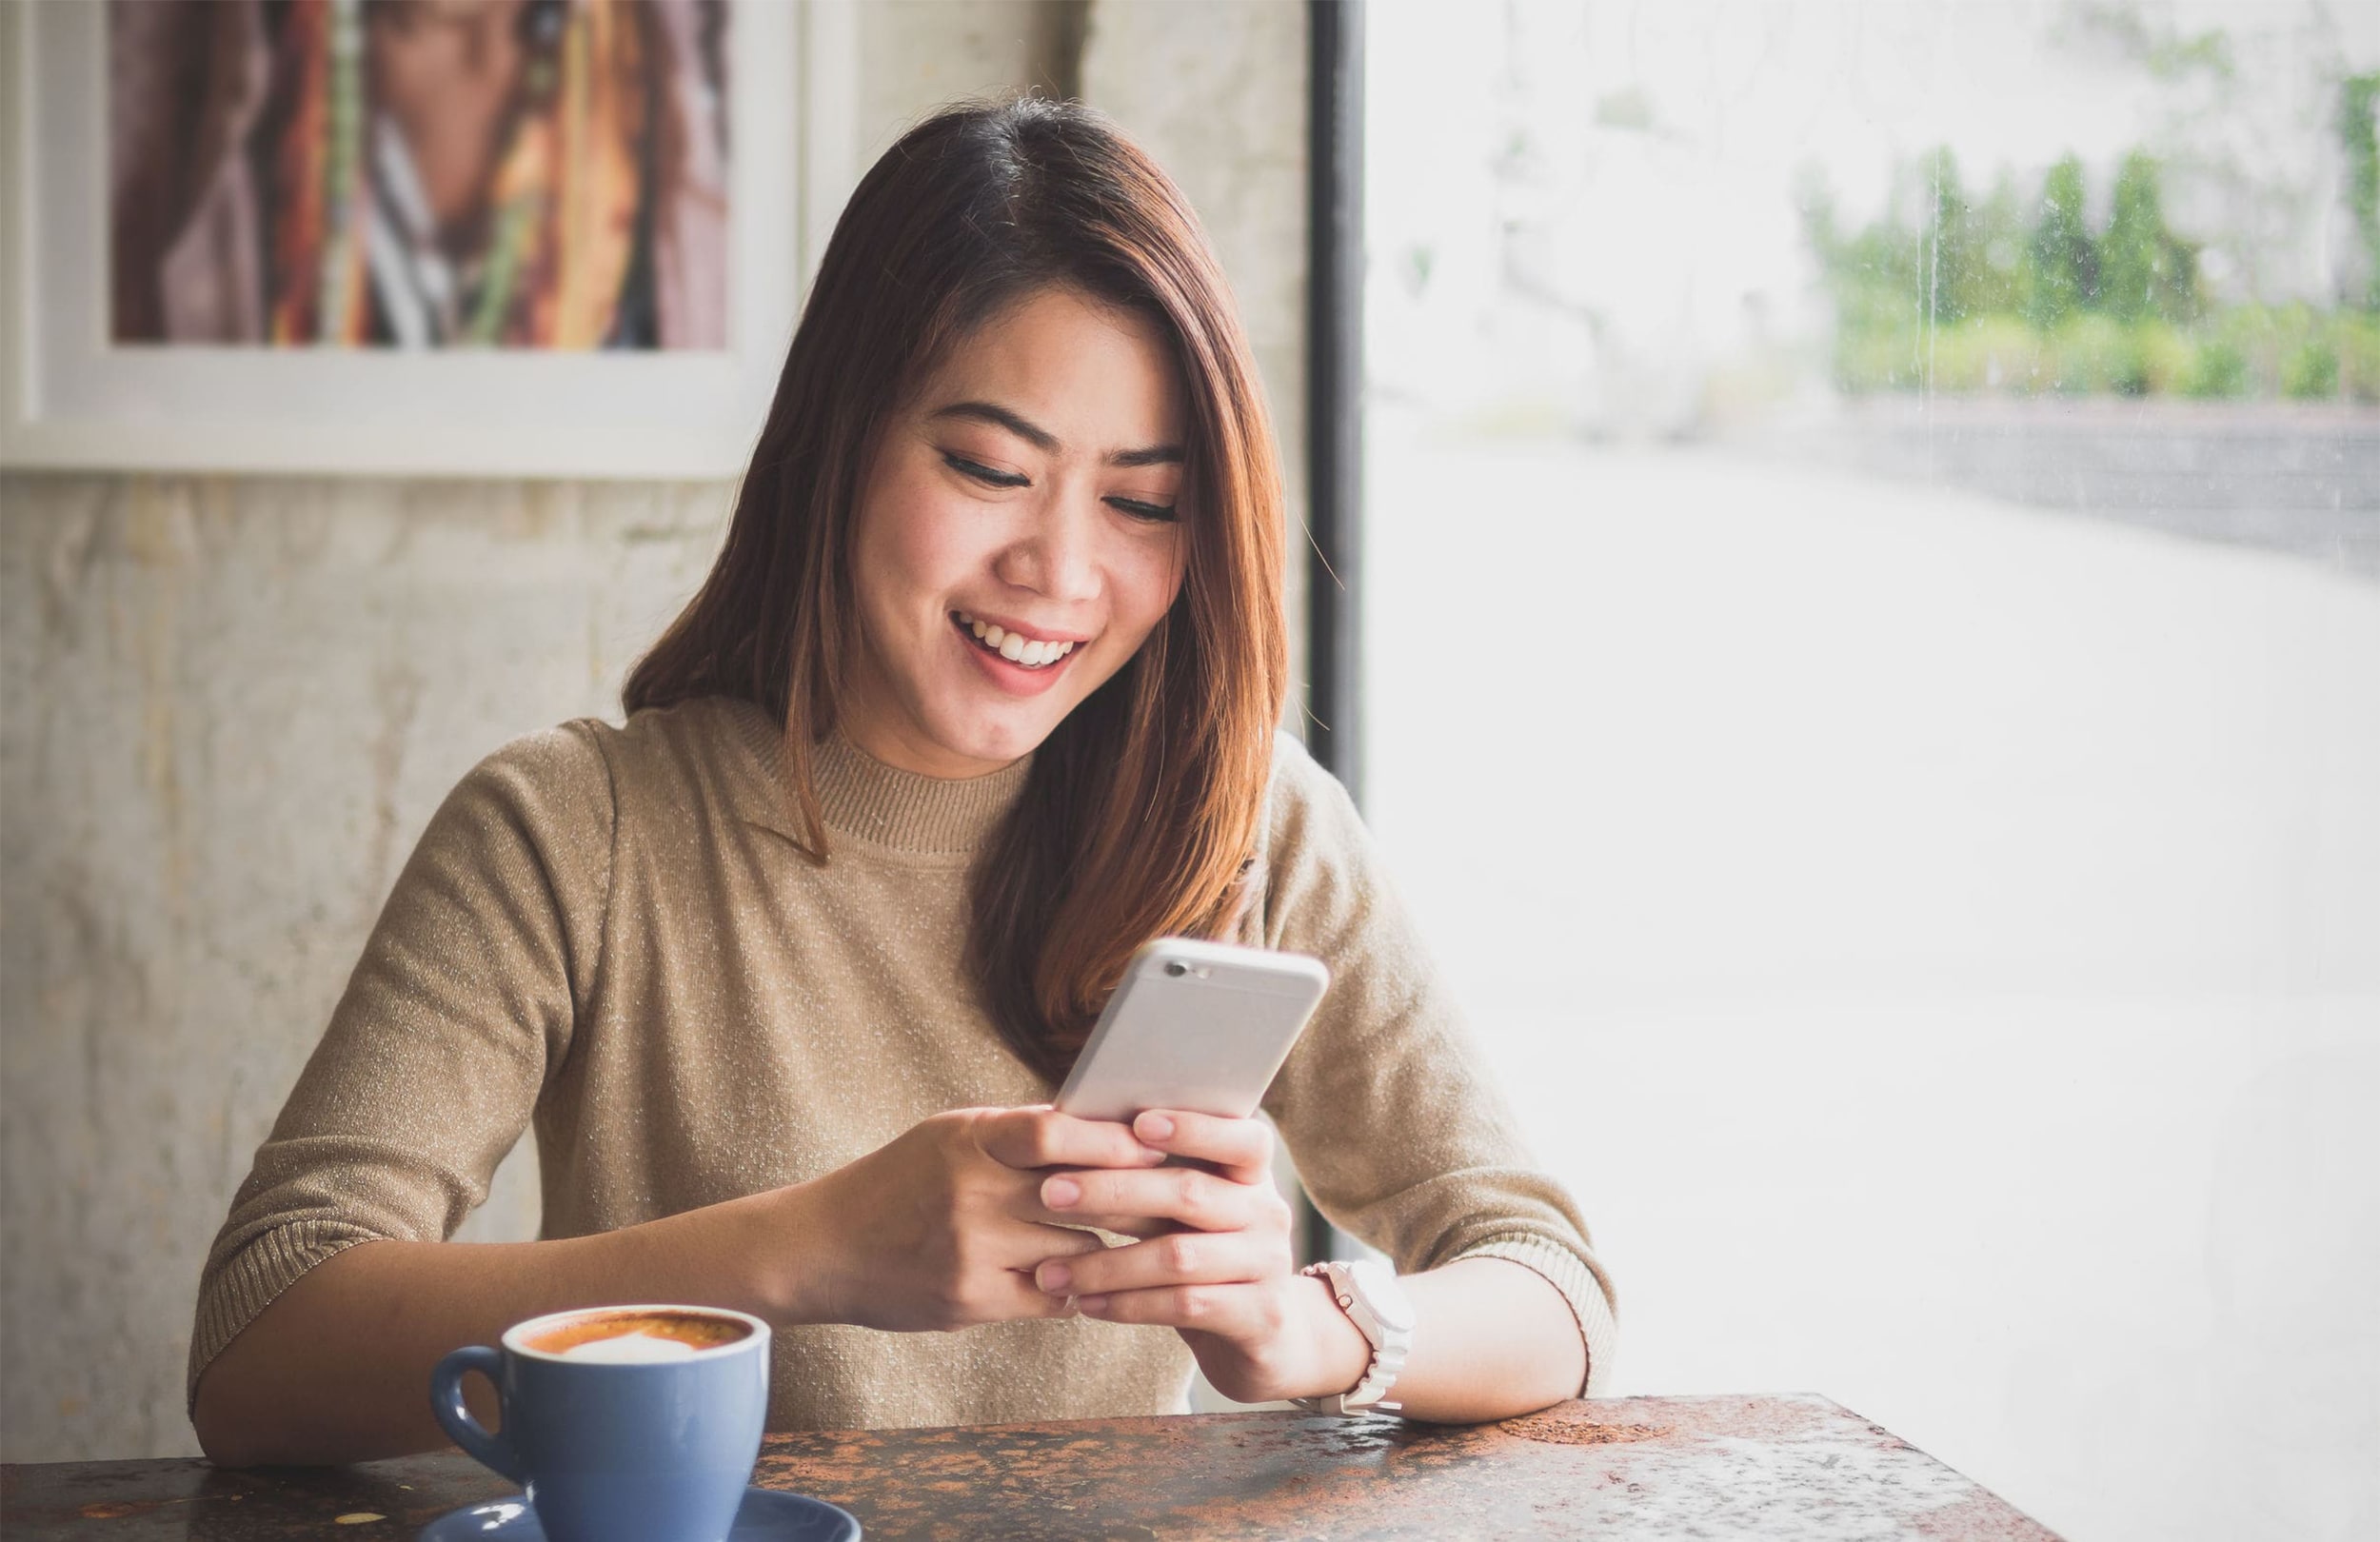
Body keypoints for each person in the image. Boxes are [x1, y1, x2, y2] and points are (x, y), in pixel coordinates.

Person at [188, 97, 1617, 1467]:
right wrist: (805, 1250)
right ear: (841, 440)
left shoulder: (1246, 820)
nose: (1060, 574)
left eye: (1141, 503)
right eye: (992, 467)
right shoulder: (576, 831)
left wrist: (1304, 1324)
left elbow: (1553, 1292)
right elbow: (260, 1343)